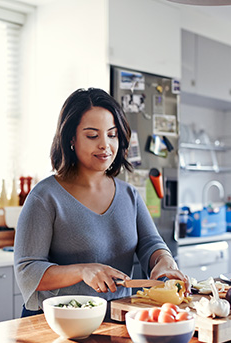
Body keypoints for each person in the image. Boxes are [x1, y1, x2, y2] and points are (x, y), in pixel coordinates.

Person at [14, 88, 189, 317]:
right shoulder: (44, 197)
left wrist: (164, 260)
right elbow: (27, 271)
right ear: (71, 140)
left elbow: (151, 244)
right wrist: (82, 271)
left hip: (115, 319)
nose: (105, 145)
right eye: (92, 136)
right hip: (57, 324)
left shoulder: (129, 195)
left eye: (112, 134)